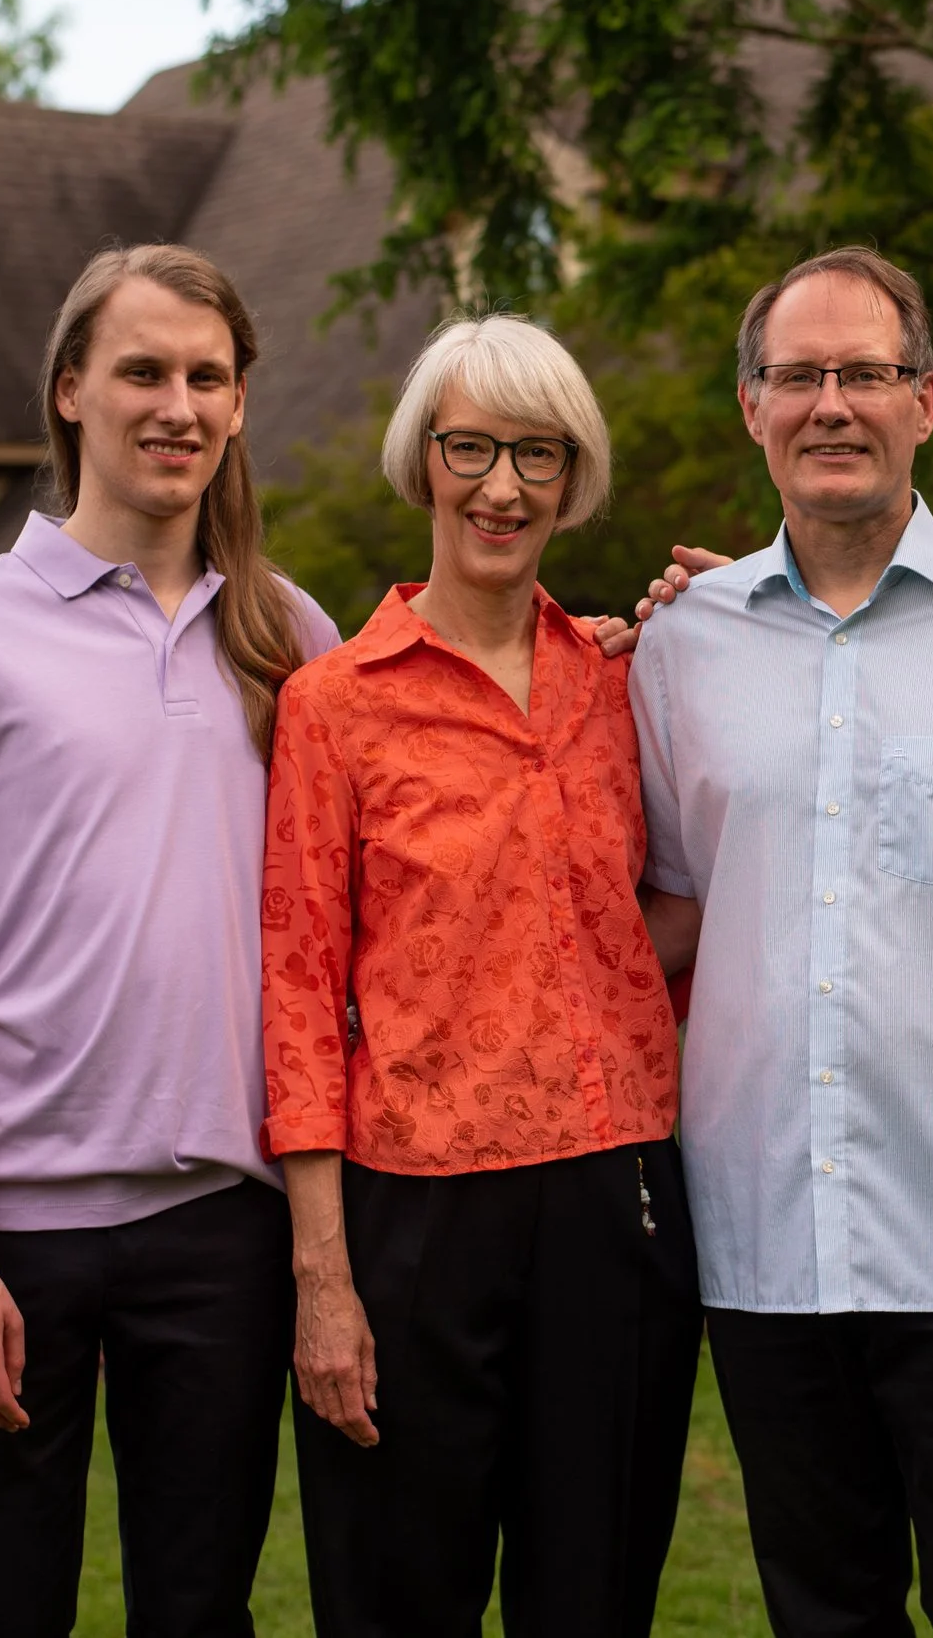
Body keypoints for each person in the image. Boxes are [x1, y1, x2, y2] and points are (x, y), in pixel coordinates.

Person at [627, 246, 933, 1638]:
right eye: (799, 376)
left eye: (864, 373)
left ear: (926, 399)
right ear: (752, 409)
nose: (830, 403)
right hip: (768, 1238)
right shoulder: (683, 648)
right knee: (821, 1615)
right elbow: (665, 909)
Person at [0, 243, 341, 1636]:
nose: (176, 403)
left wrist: (633, 650)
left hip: (221, 1230)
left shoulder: (286, 635)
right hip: (8, 1232)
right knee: (7, 1610)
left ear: (242, 403)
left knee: (203, 1614)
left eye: (208, 375)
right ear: (71, 391)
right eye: (142, 370)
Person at [261, 314, 700, 1637]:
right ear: (424, 462)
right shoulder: (333, 706)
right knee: (399, 1599)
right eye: (472, 448)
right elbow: (294, 999)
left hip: (611, 1205)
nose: (502, 487)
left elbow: (671, 902)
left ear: (574, 480)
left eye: (536, 455)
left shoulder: (628, 684)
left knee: (594, 1598)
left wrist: (725, 621)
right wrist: (323, 1283)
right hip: (412, 1219)